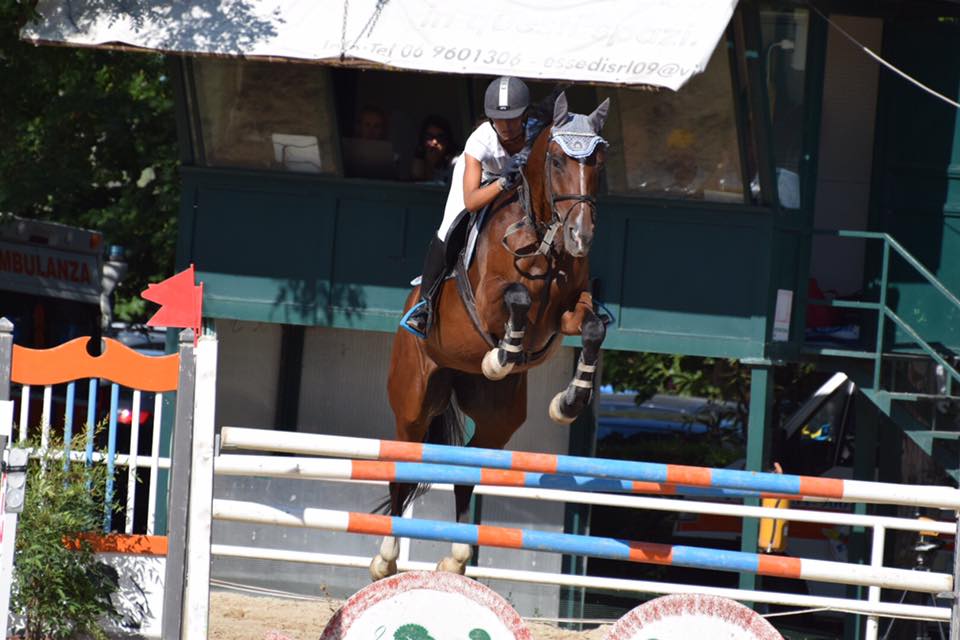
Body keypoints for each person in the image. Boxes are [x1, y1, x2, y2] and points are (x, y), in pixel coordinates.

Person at [402, 76, 534, 338]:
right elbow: (471, 200)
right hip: (482, 182)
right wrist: (501, 185)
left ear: (525, 115)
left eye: (512, 118)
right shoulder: (480, 140)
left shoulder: (536, 131)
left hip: (521, 183)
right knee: (450, 226)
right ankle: (425, 305)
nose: (505, 126)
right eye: (498, 118)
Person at [411, 115, 457, 183]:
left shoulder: (455, 165)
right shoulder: (419, 161)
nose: (434, 142)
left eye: (440, 138)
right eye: (429, 137)